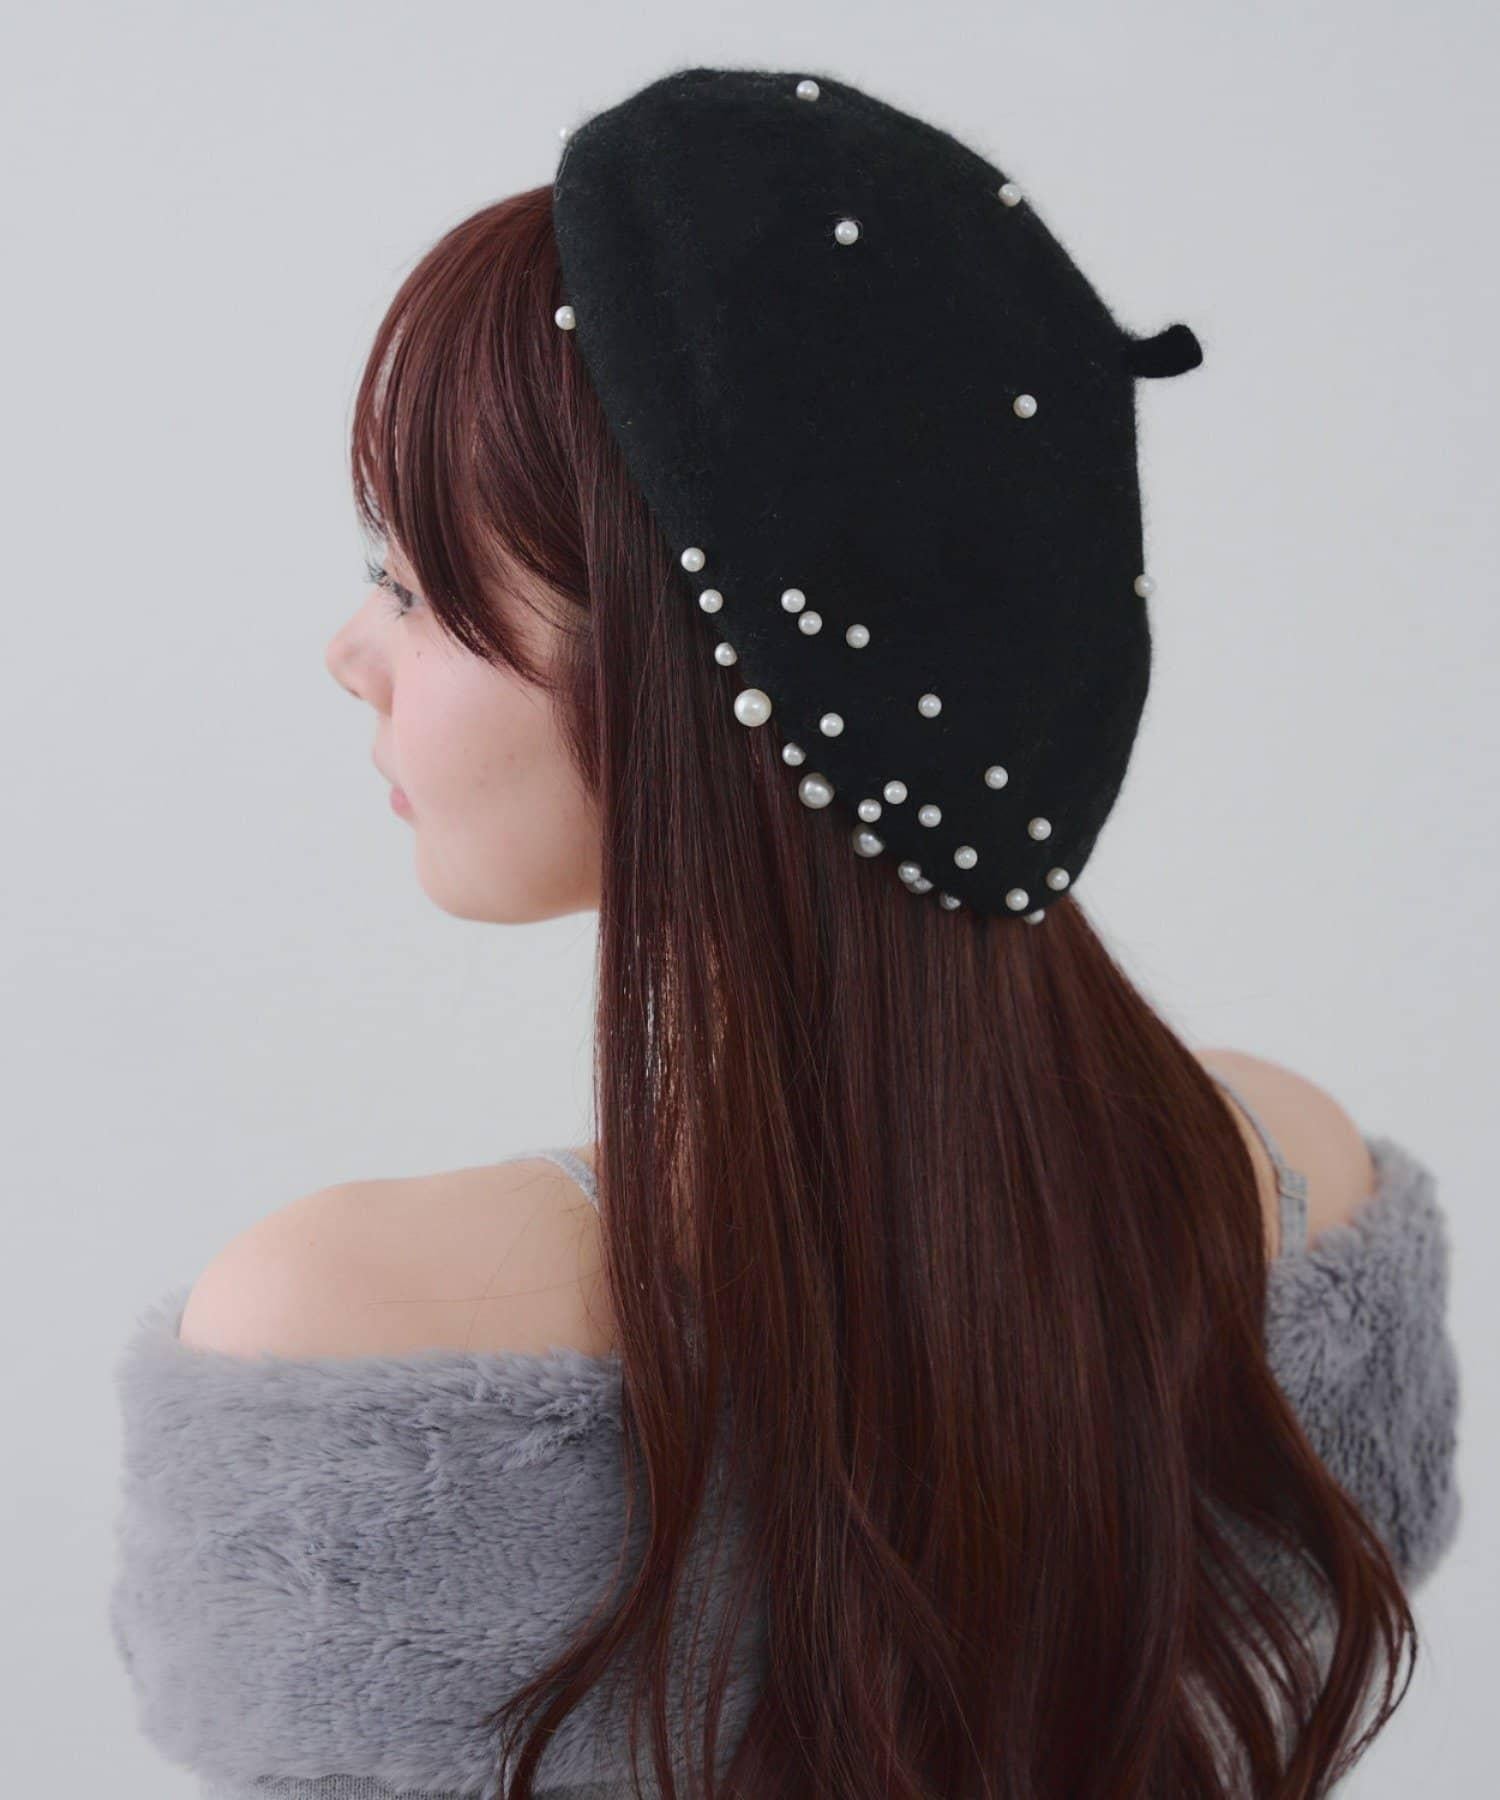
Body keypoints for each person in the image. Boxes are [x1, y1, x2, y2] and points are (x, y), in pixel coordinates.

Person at [108, 66, 1462, 1800]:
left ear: (683, 672)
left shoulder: (343, 1330)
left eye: (415, 583)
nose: (349, 655)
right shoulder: (1290, 1180)